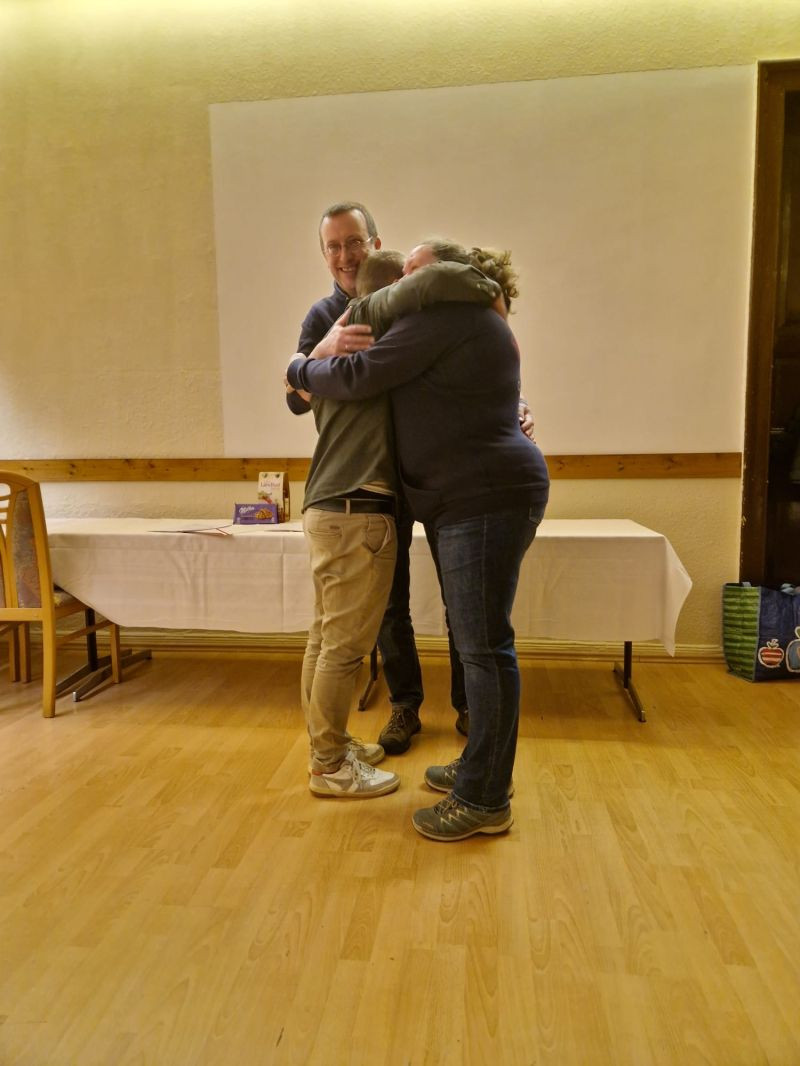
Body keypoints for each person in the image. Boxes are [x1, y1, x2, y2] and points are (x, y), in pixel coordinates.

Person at [287, 249, 550, 841]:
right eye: (402, 270)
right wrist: (305, 363)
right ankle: (471, 769)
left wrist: (299, 367)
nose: (405, 279)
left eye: (416, 268)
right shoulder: (435, 318)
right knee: (459, 644)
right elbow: (372, 379)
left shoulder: (444, 313)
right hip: (433, 500)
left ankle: (483, 793)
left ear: (439, 275)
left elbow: (359, 375)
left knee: (481, 648)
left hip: (479, 496)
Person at [285, 203, 498, 760]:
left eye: (354, 242)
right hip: (365, 490)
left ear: (376, 244)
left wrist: (513, 406)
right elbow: (295, 399)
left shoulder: (407, 300)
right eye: (333, 246)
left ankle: (466, 704)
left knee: (458, 598)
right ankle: (401, 706)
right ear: (323, 255)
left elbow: (461, 370)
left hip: (429, 475)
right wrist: (314, 357)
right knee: (382, 609)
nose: (345, 255)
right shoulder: (325, 316)